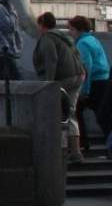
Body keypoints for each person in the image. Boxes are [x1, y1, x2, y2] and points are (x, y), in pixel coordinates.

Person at [33, 11, 86, 163]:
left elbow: (51, 59)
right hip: (79, 75)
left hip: (65, 78)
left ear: (42, 25)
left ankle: (59, 149)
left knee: (56, 112)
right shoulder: (65, 37)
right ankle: (75, 151)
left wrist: (49, 83)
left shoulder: (48, 38)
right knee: (71, 112)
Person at [68, 16, 108, 157]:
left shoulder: (82, 44)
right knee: (103, 115)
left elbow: (86, 68)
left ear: (78, 30)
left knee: (75, 111)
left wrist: (85, 90)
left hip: (94, 83)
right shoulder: (93, 39)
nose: (70, 32)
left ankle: (82, 143)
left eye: (71, 29)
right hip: (103, 80)